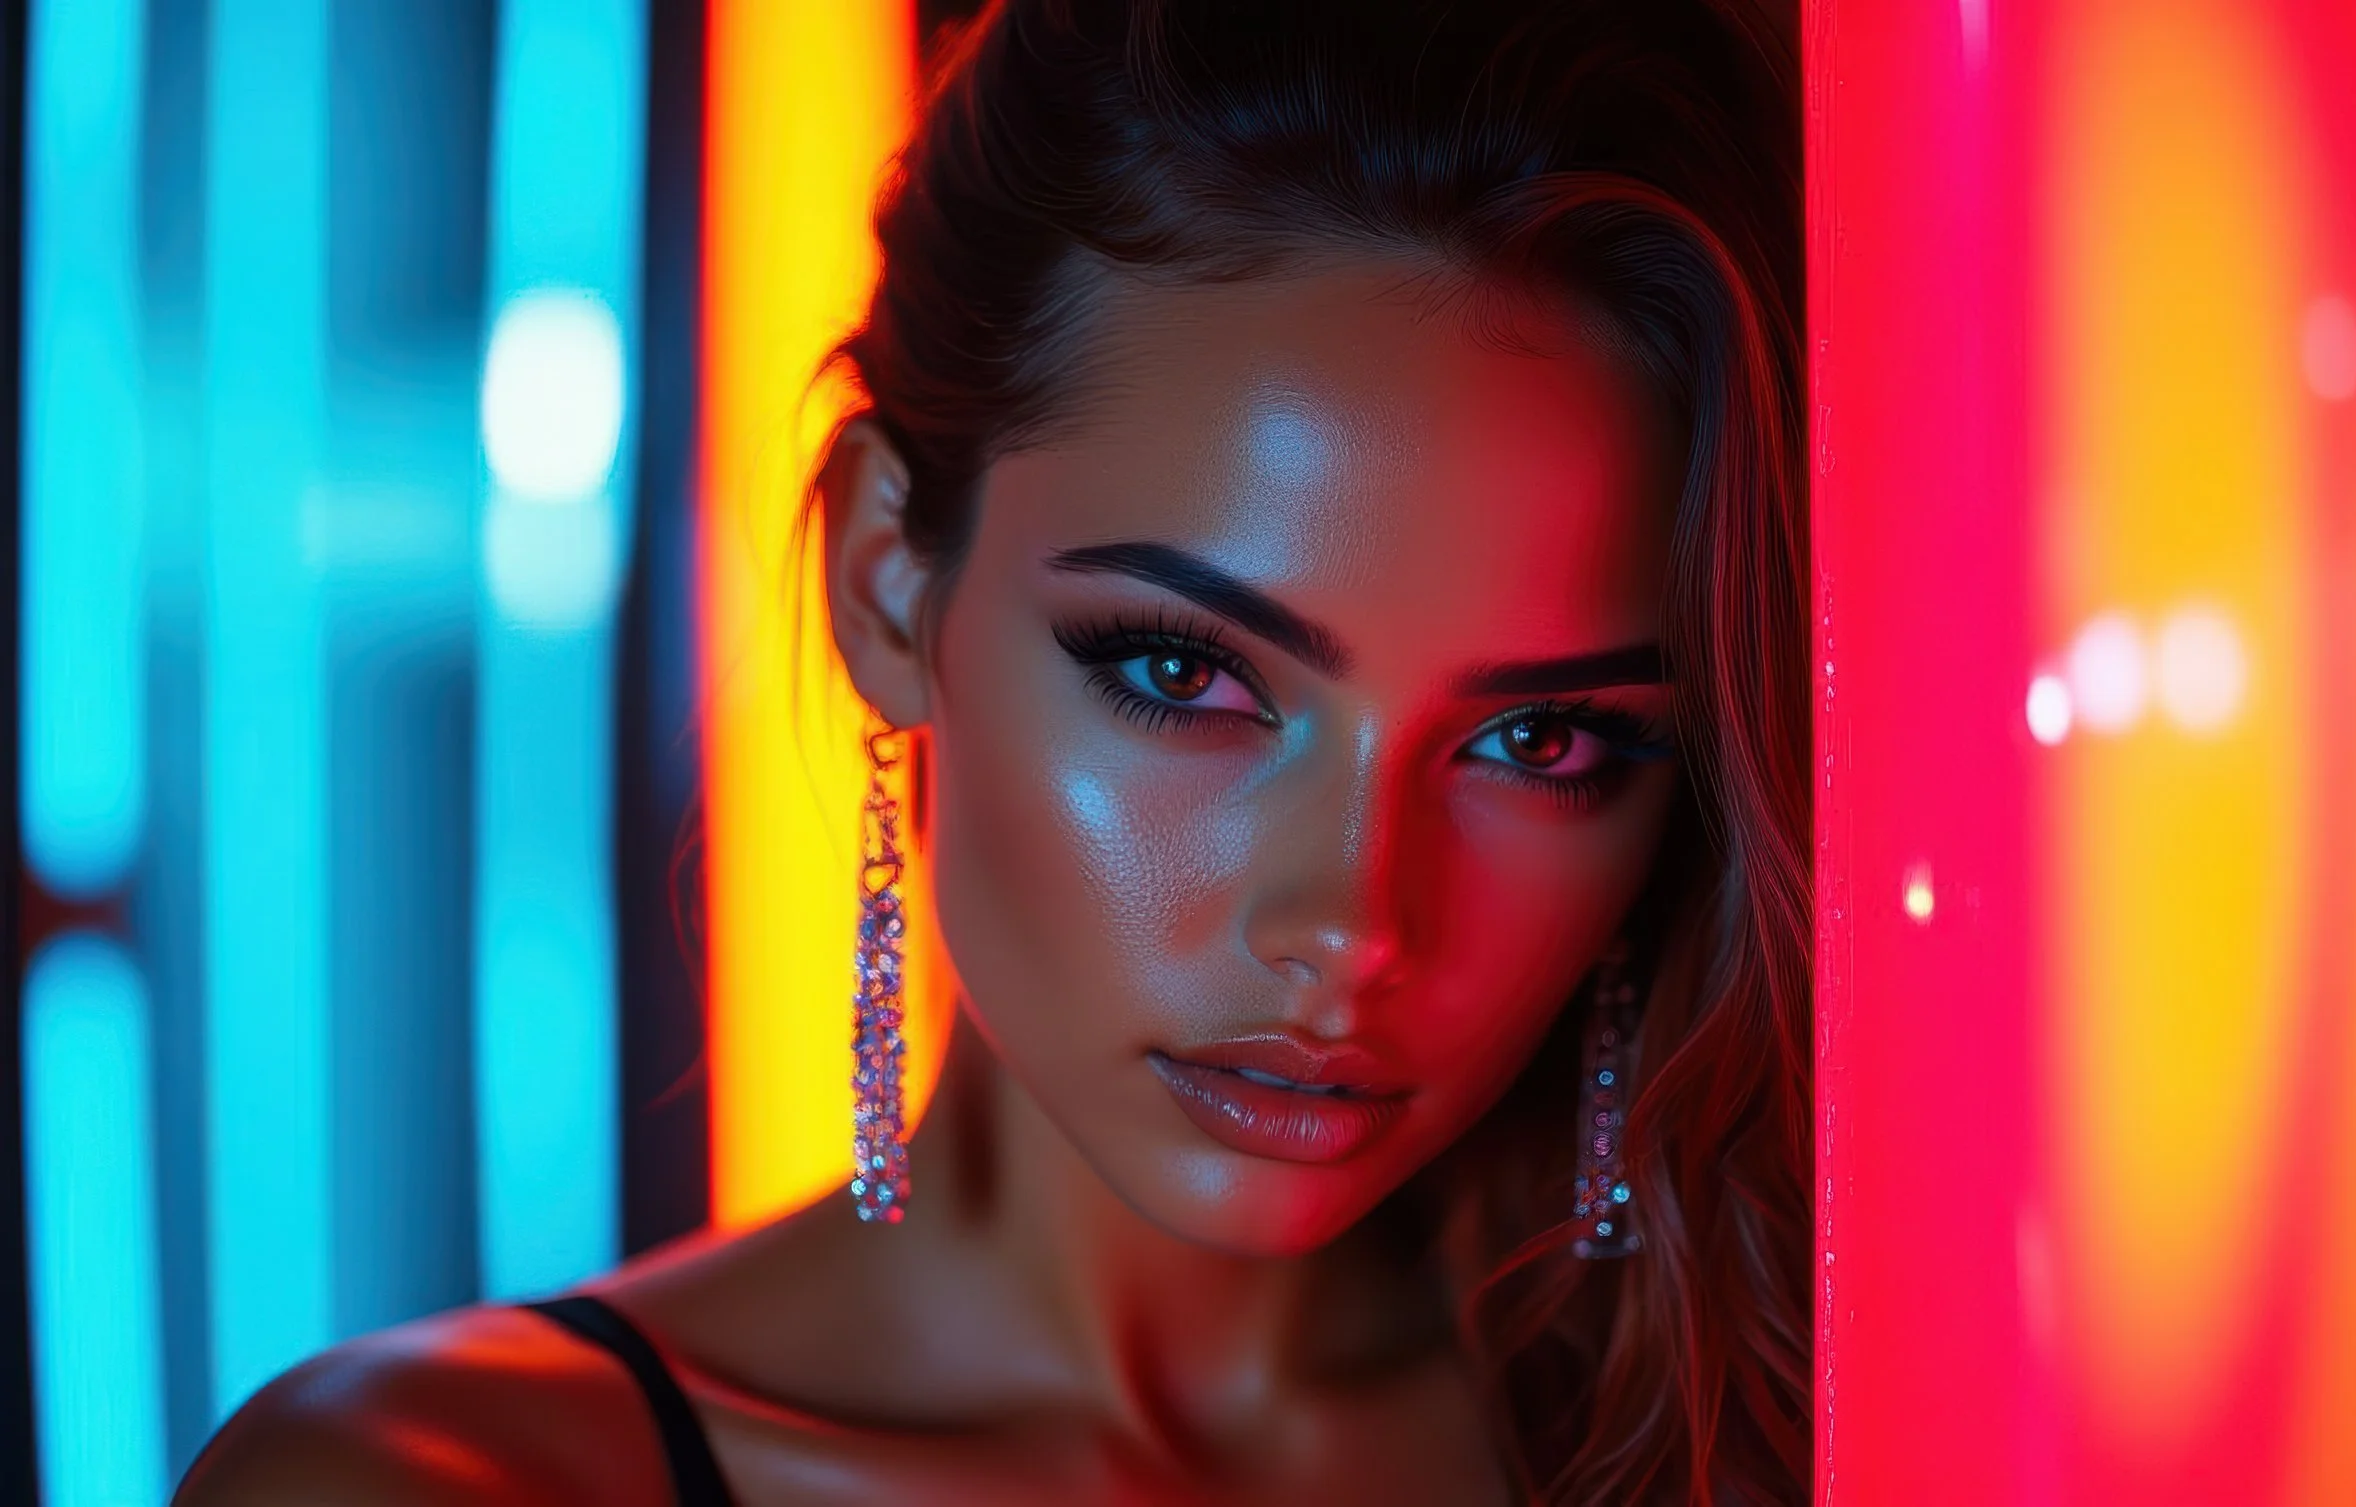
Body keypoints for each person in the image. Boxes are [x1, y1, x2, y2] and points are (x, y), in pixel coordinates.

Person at [176, 0, 1808, 1501]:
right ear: (890, 580)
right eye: (1183, 672)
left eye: (1543, 739)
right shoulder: (442, 1482)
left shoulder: (1780, 1432)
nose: (1351, 926)